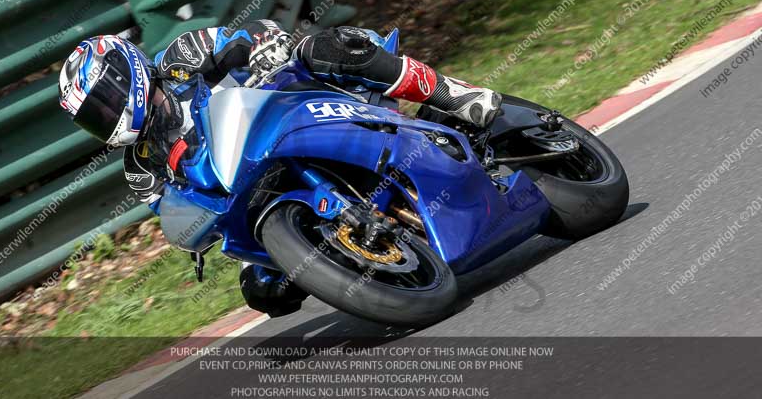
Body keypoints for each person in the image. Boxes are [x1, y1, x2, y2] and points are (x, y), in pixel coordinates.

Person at [58, 20, 501, 316]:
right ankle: (355, 255)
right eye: (92, 117)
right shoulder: (141, 165)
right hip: (255, 189)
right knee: (263, 290)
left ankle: (454, 95)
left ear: (125, 74)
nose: (106, 116)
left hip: (299, 107)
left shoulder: (182, 56)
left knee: (324, 47)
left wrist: (265, 48)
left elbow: (252, 33)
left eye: (104, 100)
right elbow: (180, 208)